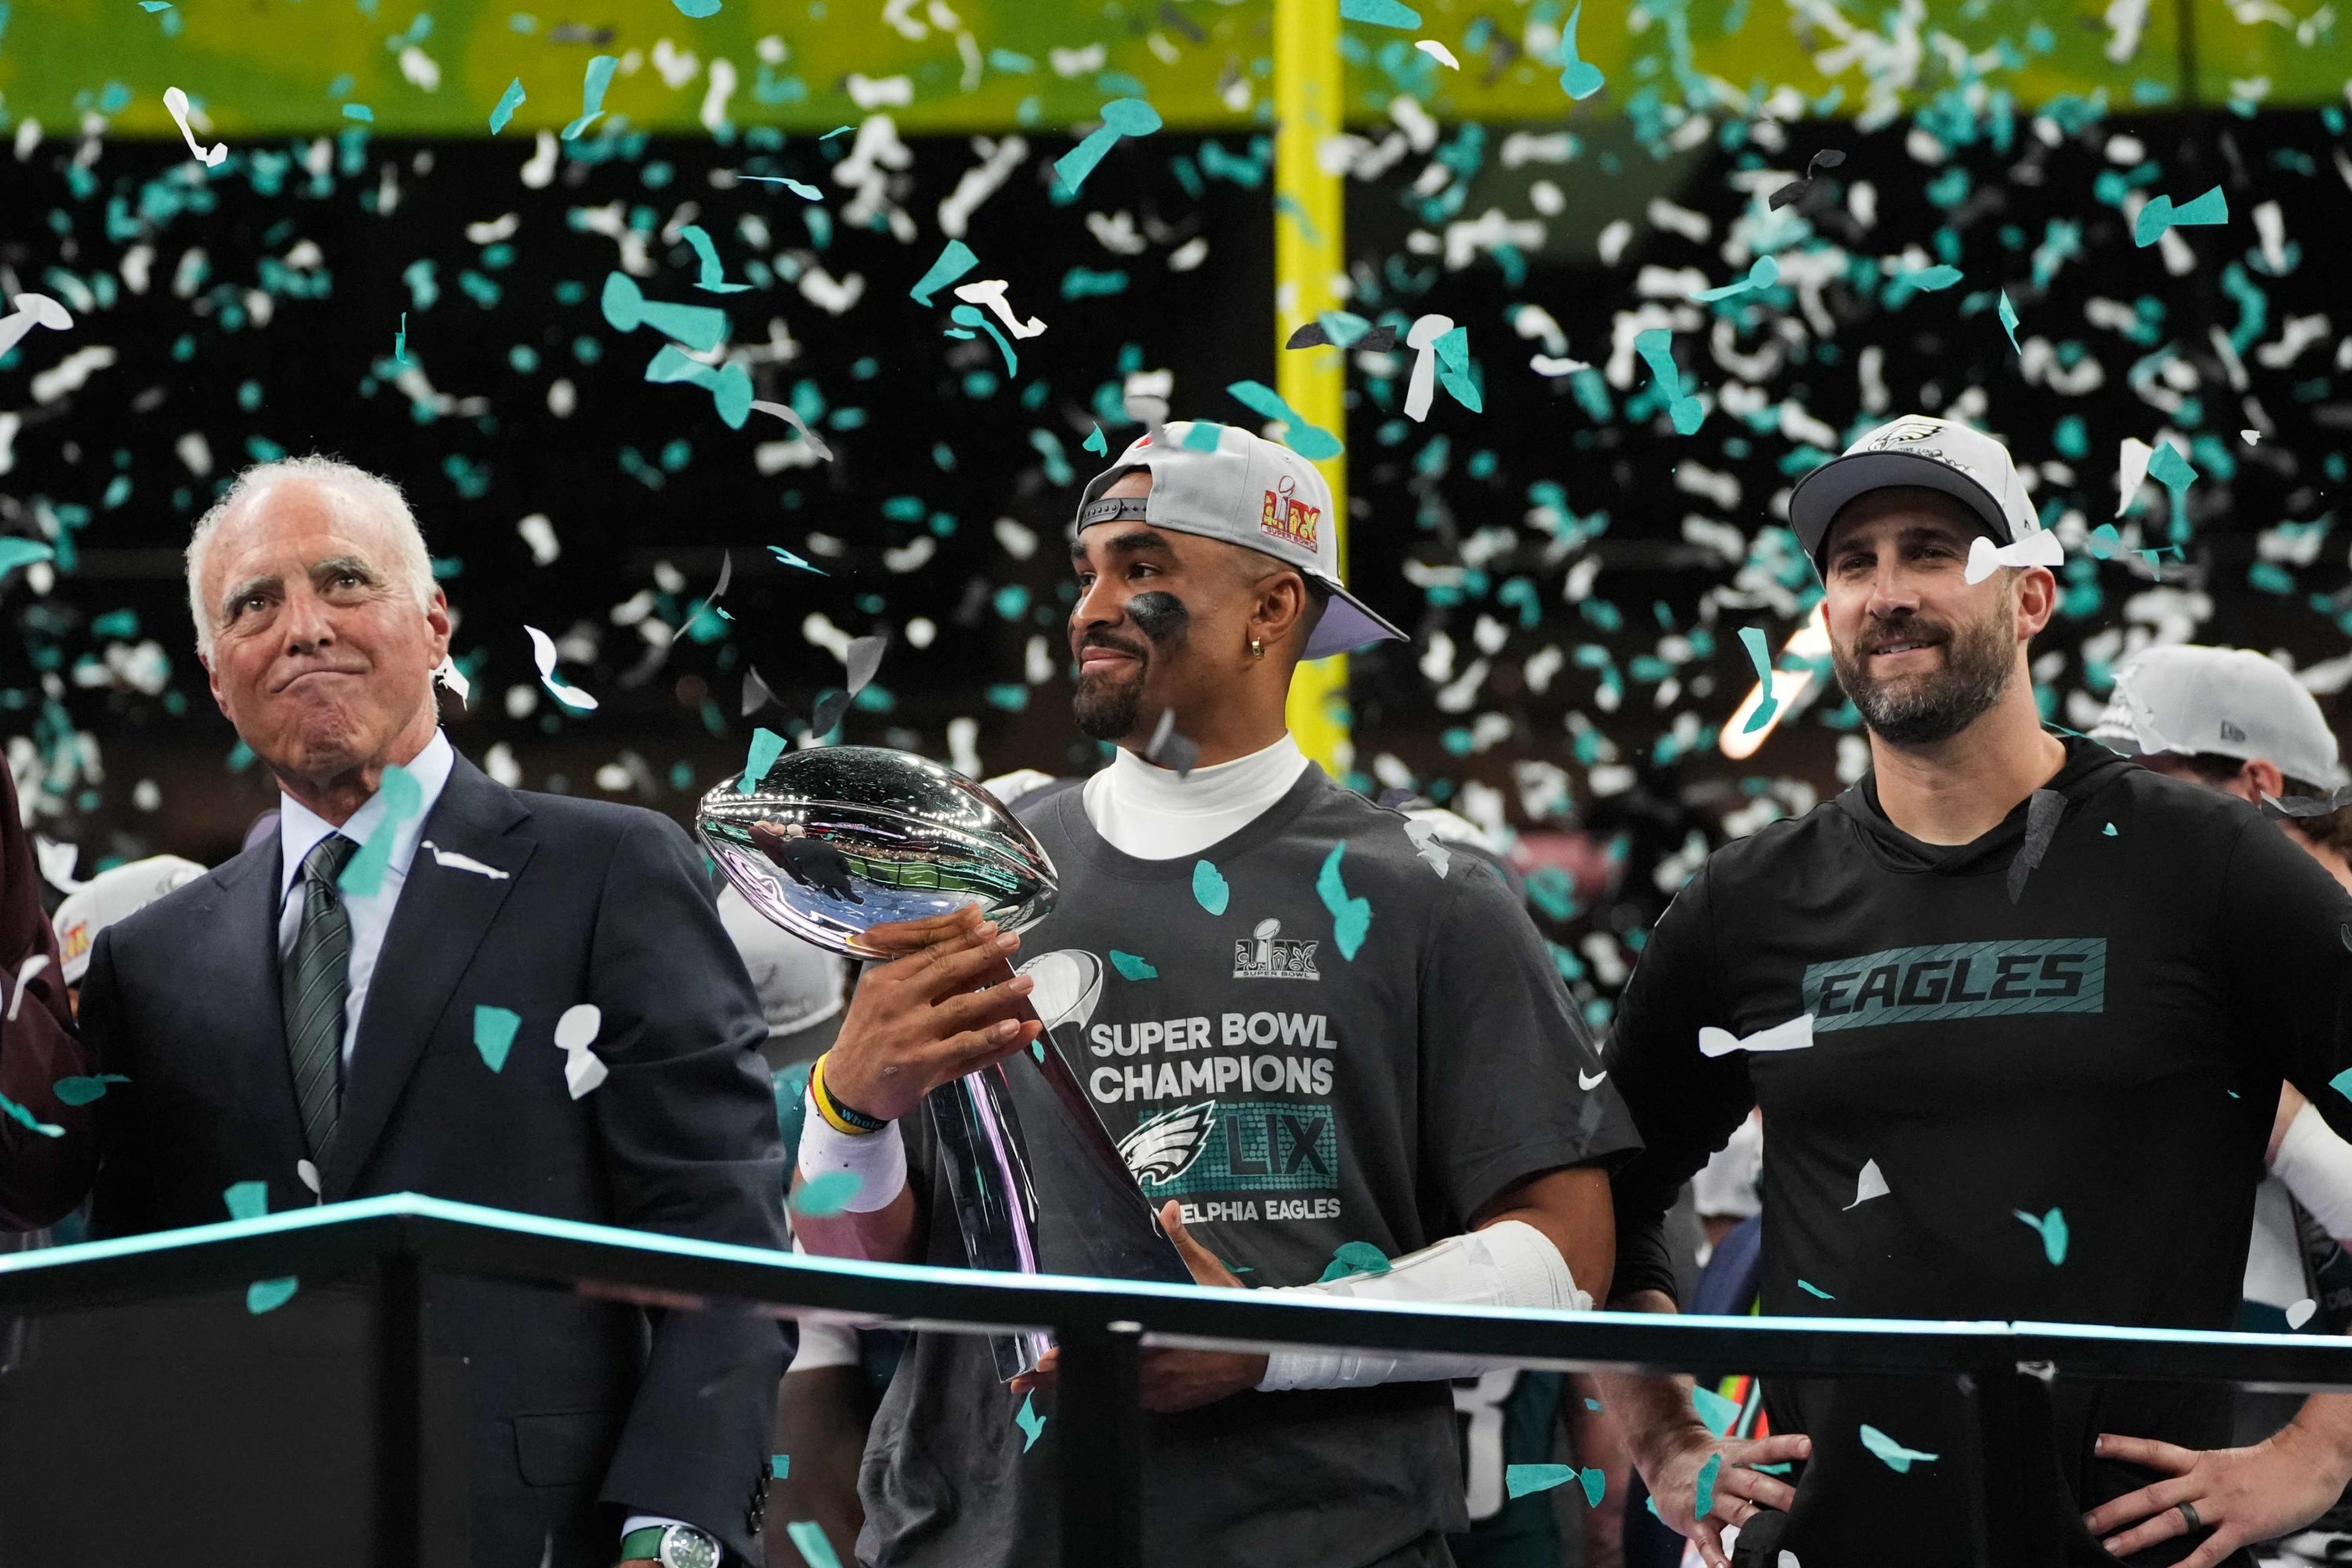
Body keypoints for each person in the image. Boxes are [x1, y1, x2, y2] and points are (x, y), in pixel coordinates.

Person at [791, 419, 1639, 1568]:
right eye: (1087, 572)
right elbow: (864, 1280)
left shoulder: (1429, 889)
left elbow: (1570, 1255)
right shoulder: (978, 878)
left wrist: (1270, 1342)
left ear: (1271, 608)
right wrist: (845, 1113)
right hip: (983, 1537)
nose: (1089, 608)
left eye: (1142, 568)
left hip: (1326, 1539)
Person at [5, 456, 789, 1568]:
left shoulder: (606, 872)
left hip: (547, 1535)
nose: (305, 627)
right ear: (217, 677)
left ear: (434, 626)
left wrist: (681, 1526)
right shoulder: (150, 959)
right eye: (255, 604)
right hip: (244, 1529)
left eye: (343, 581)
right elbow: (146, 1307)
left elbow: (722, 1237)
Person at [1598, 414, 2352, 1568]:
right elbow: (1596, 1192)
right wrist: (1665, 1440)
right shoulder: (1744, 906)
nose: (1887, 591)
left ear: (2033, 597)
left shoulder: (2208, 866)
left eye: (1934, 550)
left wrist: (2324, 1446)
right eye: (1855, 564)